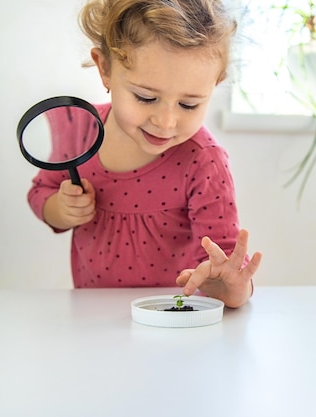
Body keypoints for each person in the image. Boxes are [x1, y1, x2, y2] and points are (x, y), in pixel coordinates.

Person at [27, 0, 262, 308]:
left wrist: (232, 288)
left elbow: (223, 262)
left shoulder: (204, 161)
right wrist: (60, 207)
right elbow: (41, 192)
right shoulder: (79, 130)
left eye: (189, 105)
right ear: (105, 69)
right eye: (146, 97)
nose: (165, 122)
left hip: (173, 316)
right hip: (92, 315)